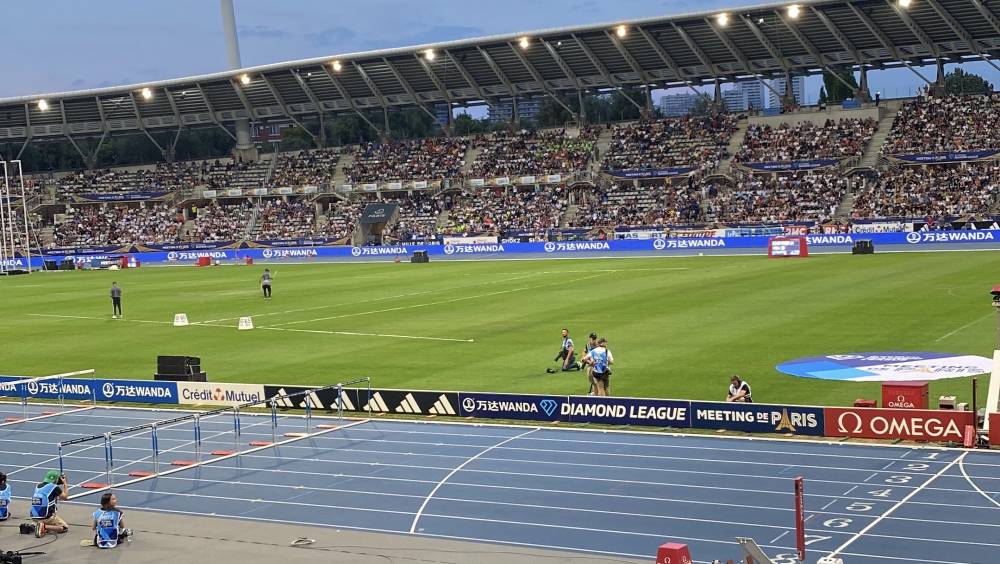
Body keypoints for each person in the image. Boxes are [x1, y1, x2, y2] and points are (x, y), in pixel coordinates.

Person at [31, 470, 69, 537]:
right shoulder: (54, 487)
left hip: (34, 516)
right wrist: (65, 483)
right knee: (64, 527)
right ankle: (43, 526)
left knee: (43, 523)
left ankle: (35, 525)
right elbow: (65, 497)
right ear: (56, 479)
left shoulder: (37, 486)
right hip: (47, 517)